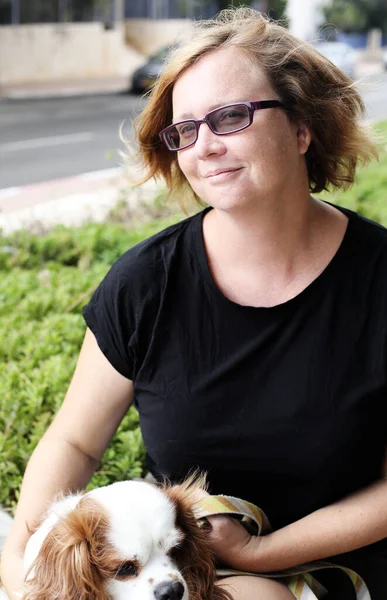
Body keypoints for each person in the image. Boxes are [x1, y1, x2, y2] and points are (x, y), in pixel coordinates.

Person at [1, 7, 387, 600]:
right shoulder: (143, 283)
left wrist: (261, 554)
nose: (203, 146)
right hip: (183, 571)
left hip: (346, 566)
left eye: (230, 117)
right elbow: (73, 443)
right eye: (184, 130)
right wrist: (24, 565)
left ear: (303, 128)